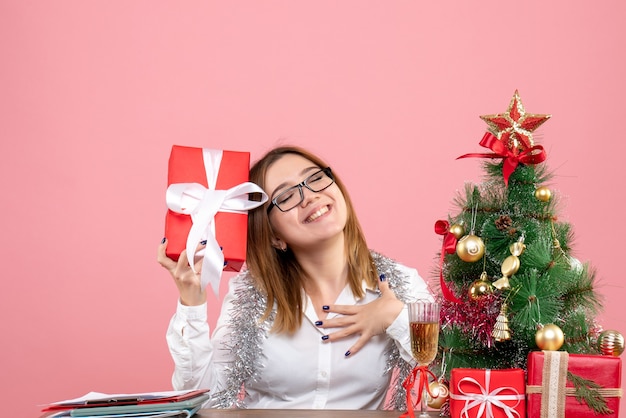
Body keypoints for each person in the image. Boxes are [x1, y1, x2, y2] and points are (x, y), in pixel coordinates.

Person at [157, 145, 433, 410]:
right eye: (287, 196)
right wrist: (192, 304)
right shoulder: (250, 294)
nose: (310, 196)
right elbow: (203, 399)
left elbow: (447, 384)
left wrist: (395, 317)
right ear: (275, 236)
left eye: (315, 179)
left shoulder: (401, 284)